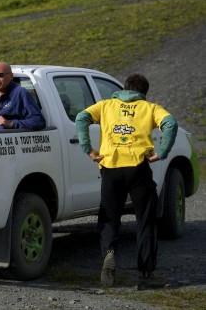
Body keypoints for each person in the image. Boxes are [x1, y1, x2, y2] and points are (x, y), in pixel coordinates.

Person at [75, 73, 178, 289]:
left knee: (109, 216)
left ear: (124, 88)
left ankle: (109, 253)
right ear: (143, 93)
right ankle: (146, 275)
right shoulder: (150, 108)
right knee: (145, 220)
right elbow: (170, 123)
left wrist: (88, 149)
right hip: (138, 168)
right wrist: (163, 152)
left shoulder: (105, 105)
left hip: (110, 167)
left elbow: (81, 118)